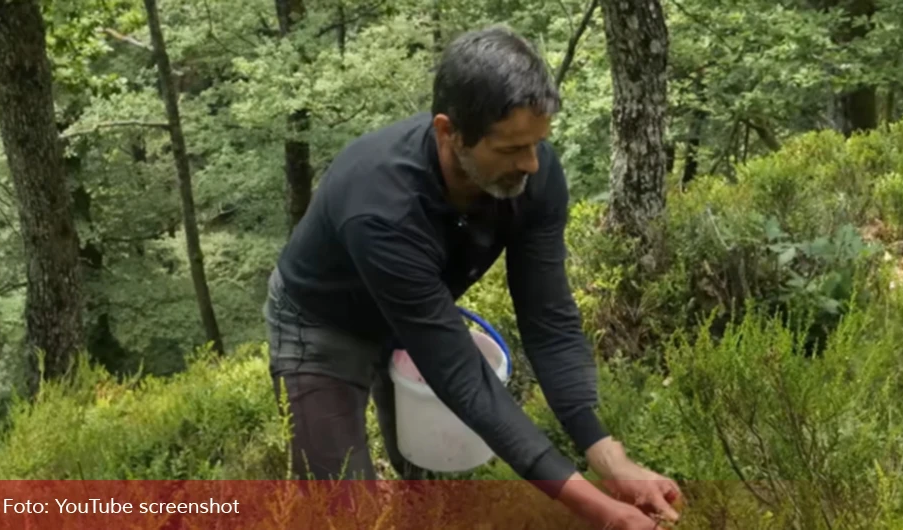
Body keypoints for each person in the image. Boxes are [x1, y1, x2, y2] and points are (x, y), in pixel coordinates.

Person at [263, 24, 682, 530]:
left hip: (416, 310)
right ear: (448, 132)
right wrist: (598, 510)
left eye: (537, 144)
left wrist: (612, 460)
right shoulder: (382, 207)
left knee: (435, 475)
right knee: (340, 511)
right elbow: (460, 375)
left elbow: (548, 320)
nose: (530, 165)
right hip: (322, 323)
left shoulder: (533, 171)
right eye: (509, 150)